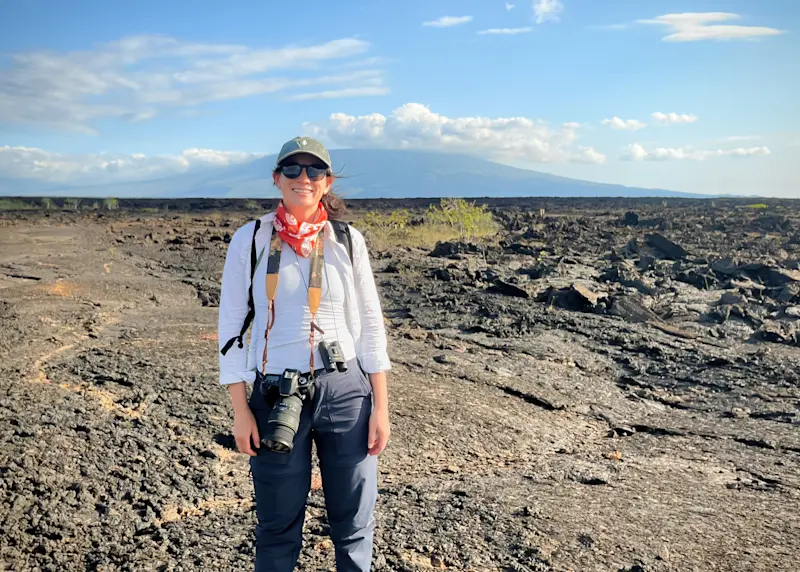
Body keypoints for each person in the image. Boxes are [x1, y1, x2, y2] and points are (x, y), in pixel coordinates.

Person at [217, 136, 392, 572]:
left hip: (346, 393)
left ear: (327, 182)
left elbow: (372, 325)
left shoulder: (348, 241)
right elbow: (232, 328)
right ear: (276, 179)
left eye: (314, 170)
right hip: (275, 394)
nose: (303, 178)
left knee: (354, 526)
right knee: (277, 528)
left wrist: (381, 407)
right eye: (292, 170)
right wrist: (241, 410)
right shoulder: (251, 240)